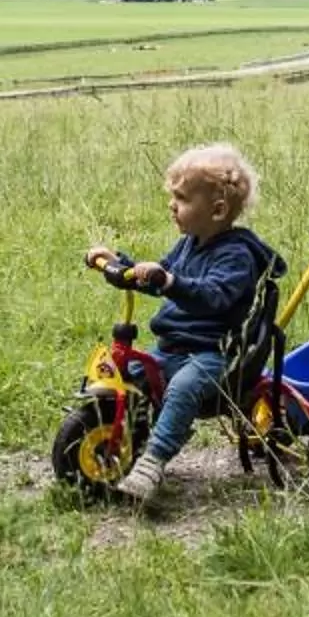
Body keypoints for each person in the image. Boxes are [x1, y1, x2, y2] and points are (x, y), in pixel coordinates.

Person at [85, 141, 278, 509]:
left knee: (184, 388)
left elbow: (212, 295)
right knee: (131, 375)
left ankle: (154, 461)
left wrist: (169, 282)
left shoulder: (237, 256)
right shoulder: (188, 244)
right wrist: (118, 264)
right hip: (173, 348)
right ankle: (123, 437)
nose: (172, 205)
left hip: (214, 353)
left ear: (218, 210)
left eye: (183, 198)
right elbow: (156, 275)